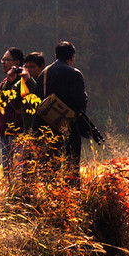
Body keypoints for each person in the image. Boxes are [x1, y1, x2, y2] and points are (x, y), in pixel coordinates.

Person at [42, 41, 88, 183]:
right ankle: (71, 195)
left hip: (47, 125)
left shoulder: (44, 73)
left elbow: (37, 98)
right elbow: (80, 101)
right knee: (71, 165)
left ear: (56, 55)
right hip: (69, 126)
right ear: (72, 57)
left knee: (50, 165)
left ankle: (50, 194)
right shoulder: (74, 74)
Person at [0, 48, 25, 175]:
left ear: (16, 63)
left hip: (16, 132)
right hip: (5, 132)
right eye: (3, 59)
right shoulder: (5, 81)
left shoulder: (22, 81)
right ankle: (10, 194)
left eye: (6, 60)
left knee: (18, 170)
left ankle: (19, 193)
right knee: (7, 171)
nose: (3, 62)